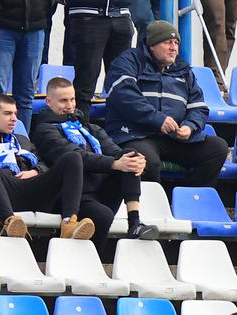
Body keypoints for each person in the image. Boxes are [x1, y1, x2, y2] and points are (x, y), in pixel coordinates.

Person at [102, 22, 229, 189]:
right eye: (167, 42)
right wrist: (158, 120)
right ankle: (152, 206)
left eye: (176, 43)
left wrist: (189, 127)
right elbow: (124, 95)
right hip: (136, 134)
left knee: (218, 148)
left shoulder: (183, 71)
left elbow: (198, 107)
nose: (173, 48)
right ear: (152, 45)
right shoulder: (129, 61)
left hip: (172, 139)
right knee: (148, 161)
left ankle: (188, 201)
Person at [30, 77, 154, 242]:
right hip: (69, 196)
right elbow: (76, 157)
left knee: (130, 154)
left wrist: (137, 161)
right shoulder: (45, 130)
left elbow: (115, 151)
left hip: (98, 191)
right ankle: (92, 261)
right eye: (63, 101)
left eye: (72, 99)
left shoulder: (88, 128)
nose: (69, 105)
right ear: (48, 102)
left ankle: (134, 223)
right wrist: (114, 164)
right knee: (103, 215)